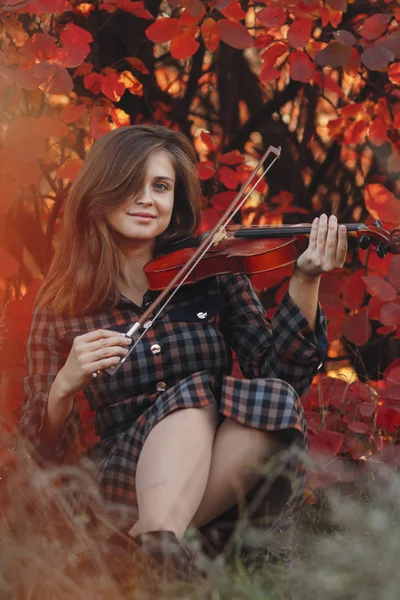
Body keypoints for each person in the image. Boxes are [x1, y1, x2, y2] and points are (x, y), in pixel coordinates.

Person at [19, 124, 347, 577]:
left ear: (176, 201)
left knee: (273, 400)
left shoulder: (211, 271)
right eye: (132, 183)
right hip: (121, 478)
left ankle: (150, 548)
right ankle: (155, 536)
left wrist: (306, 279)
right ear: (102, 188)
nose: (147, 198)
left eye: (161, 186)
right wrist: (62, 388)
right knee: (192, 393)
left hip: (216, 478)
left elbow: (282, 379)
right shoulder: (61, 305)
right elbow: (38, 454)